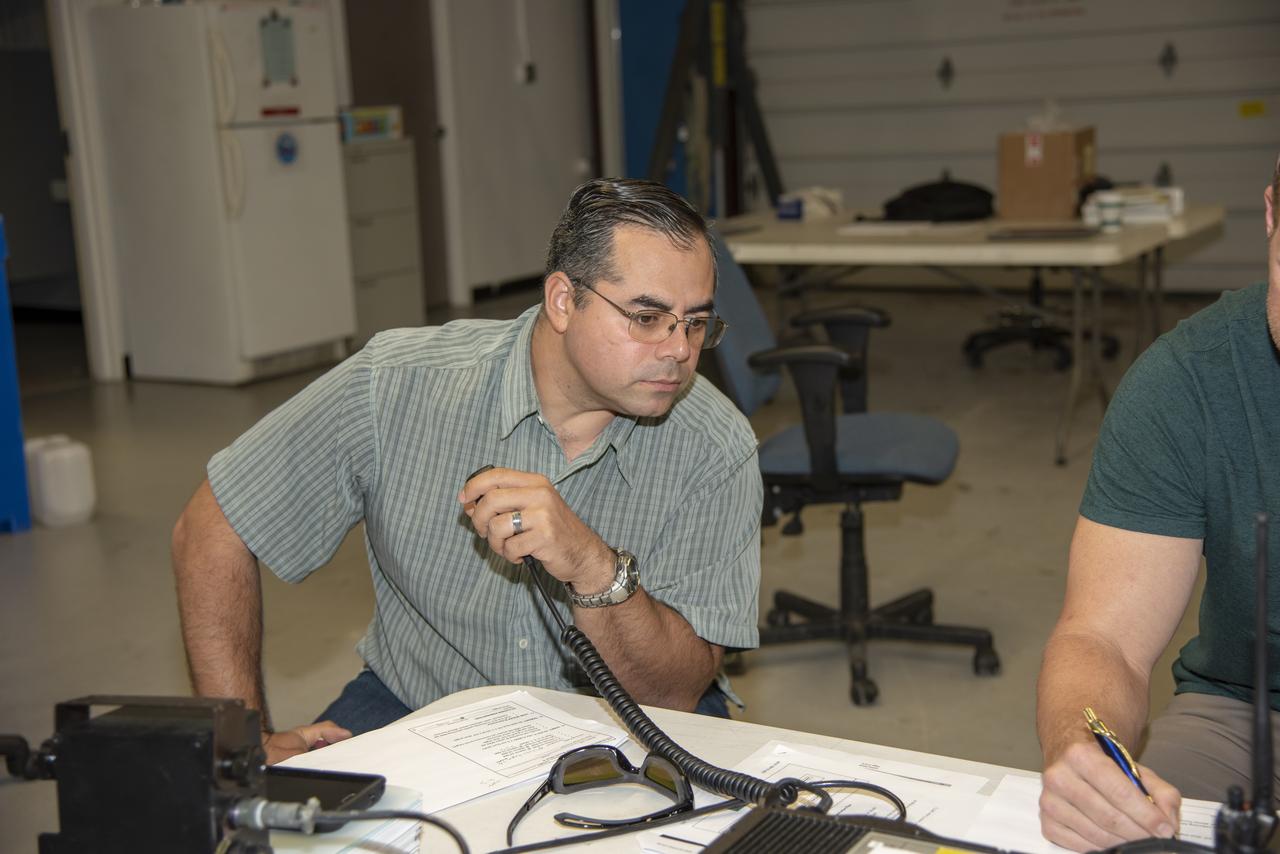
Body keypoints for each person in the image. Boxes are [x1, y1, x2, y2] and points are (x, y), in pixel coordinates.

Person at [171, 178, 762, 765]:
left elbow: (674, 693)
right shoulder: (396, 383)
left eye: (695, 323)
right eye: (648, 317)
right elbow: (214, 527)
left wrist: (593, 567)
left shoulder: (716, 444)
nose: (680, 350)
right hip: (422, 700)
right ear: (563, 301)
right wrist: (238, 748)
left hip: (628, 719)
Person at [1036, 158, 1280, 850]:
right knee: (1126, 833)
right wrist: (1083, 748)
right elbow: (1102, 639)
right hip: (1243, 707)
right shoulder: (1190, 379)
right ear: (1270, 215)